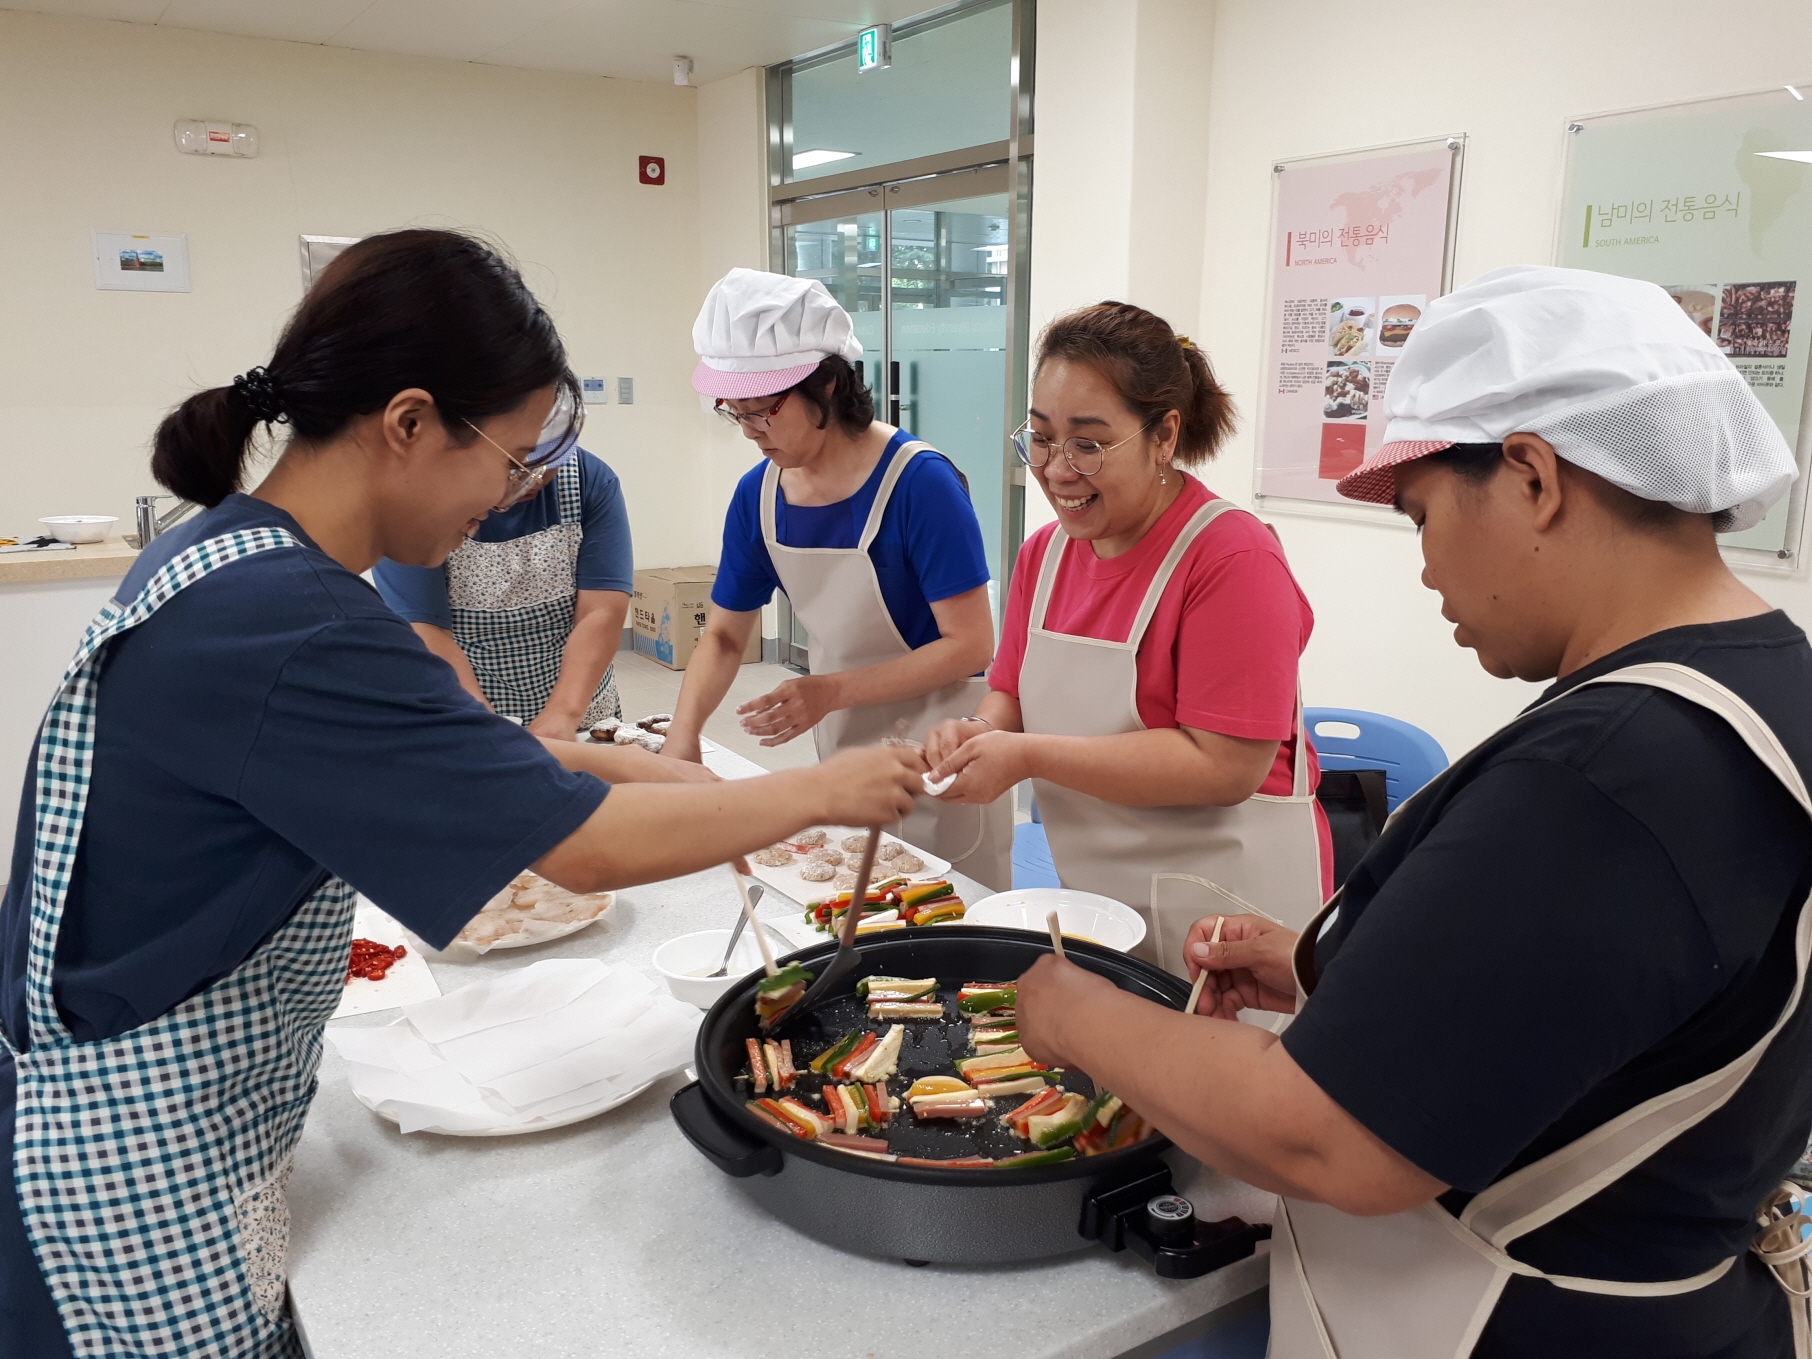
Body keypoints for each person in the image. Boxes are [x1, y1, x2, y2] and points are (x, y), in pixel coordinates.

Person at [0, 230, 924, 1359]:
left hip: (172, 1101)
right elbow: (579, 845)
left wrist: (674, 770)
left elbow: (503, 765)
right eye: (509, 455)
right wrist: (820, 792)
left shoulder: (232, 560)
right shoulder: (294, 625)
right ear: (408, 423)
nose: (507, 497)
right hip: (132, 1154)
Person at [1010, 266, 1812, 1358]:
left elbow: (1331, 1141)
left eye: (1423, 513)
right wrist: (1332, 965)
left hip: (1526, 1322)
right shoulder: (1763, 687)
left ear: (1531, 476)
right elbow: (1625, 1003)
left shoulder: (1607, 771)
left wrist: (1069, 1012)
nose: (1426, 564)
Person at [925, 302, 1329, 973]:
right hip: (1101, 900)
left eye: (1088, 443)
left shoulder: (1231, 559)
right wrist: (978, 729)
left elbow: (1227, 766)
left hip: (1236, 919)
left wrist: (1025, 756)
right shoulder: (1044, 556)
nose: (1056, 469)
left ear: (1164, 434)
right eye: (1041, 437)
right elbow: (1011, 690)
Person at [663, 268, 1013, 889]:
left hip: (944, 745)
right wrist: (683, 739)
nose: (749, 430)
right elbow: (721, 636)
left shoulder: (919, 485)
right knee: (854, 911)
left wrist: (828, 691)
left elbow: (971, 645)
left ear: (825, 383)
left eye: (762, 410)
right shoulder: (759, 496)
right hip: (846, 744)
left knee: (945, 915)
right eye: (733, 412)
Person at [372, 439, 632, 740]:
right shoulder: (417, 496)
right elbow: (424, 627)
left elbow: (601, 610)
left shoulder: (588, 479)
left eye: (547, 462)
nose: (532, 477)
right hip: (463, 701)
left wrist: (563, 713)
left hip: (580, 704)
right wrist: (481, 722)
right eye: (517, 462)